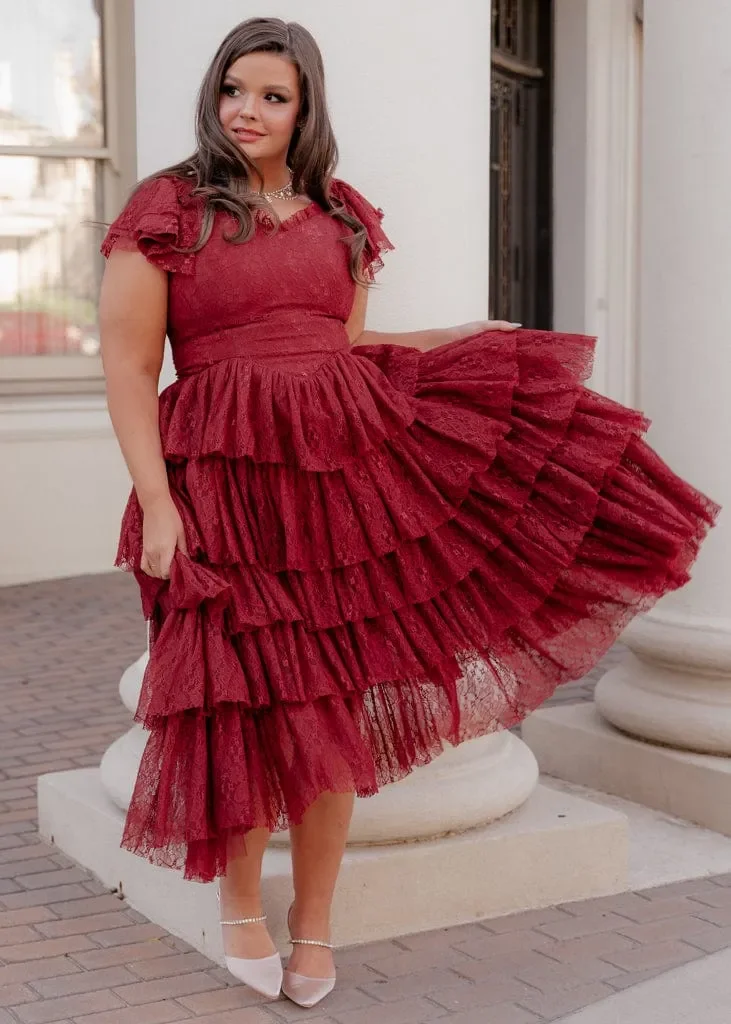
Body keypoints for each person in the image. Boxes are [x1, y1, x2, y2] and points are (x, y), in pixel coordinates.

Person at [98, 15, 718, 1010]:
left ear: (305, 110)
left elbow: (340, 345)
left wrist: (457, 337)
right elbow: (128, 372)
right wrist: (161, 507)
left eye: (272, 95)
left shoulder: (339, 216)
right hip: (220, 477)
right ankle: (239, 910)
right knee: (245, 702)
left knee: (332, 705)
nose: (246, 111)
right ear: (211, 97)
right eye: (232, 90)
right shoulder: (169, 210)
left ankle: (314, 924)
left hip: (335, 478)